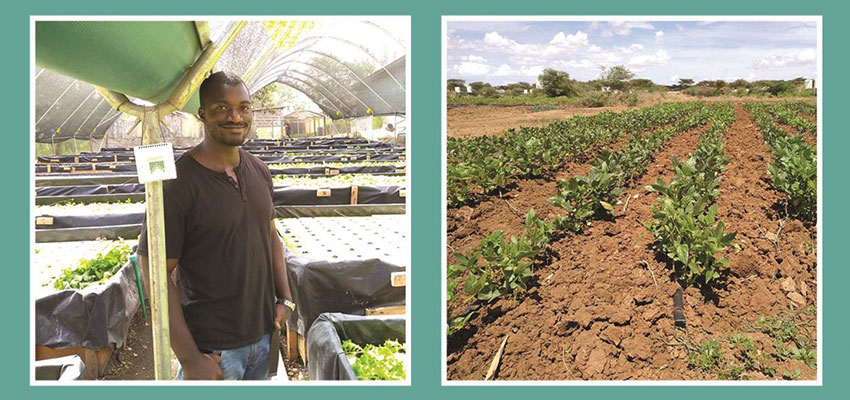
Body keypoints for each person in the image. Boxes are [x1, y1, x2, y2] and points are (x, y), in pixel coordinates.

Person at [137, 71, 295, 380]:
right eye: (222, 107)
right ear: (202, 114)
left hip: (263, 337)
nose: (235, 116)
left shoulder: (259, 170)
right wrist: (189, 357)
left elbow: (270, 234)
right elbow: (152, 269)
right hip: (214, 351)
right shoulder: (177, 183)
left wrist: (285, 297)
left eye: (244, 107)